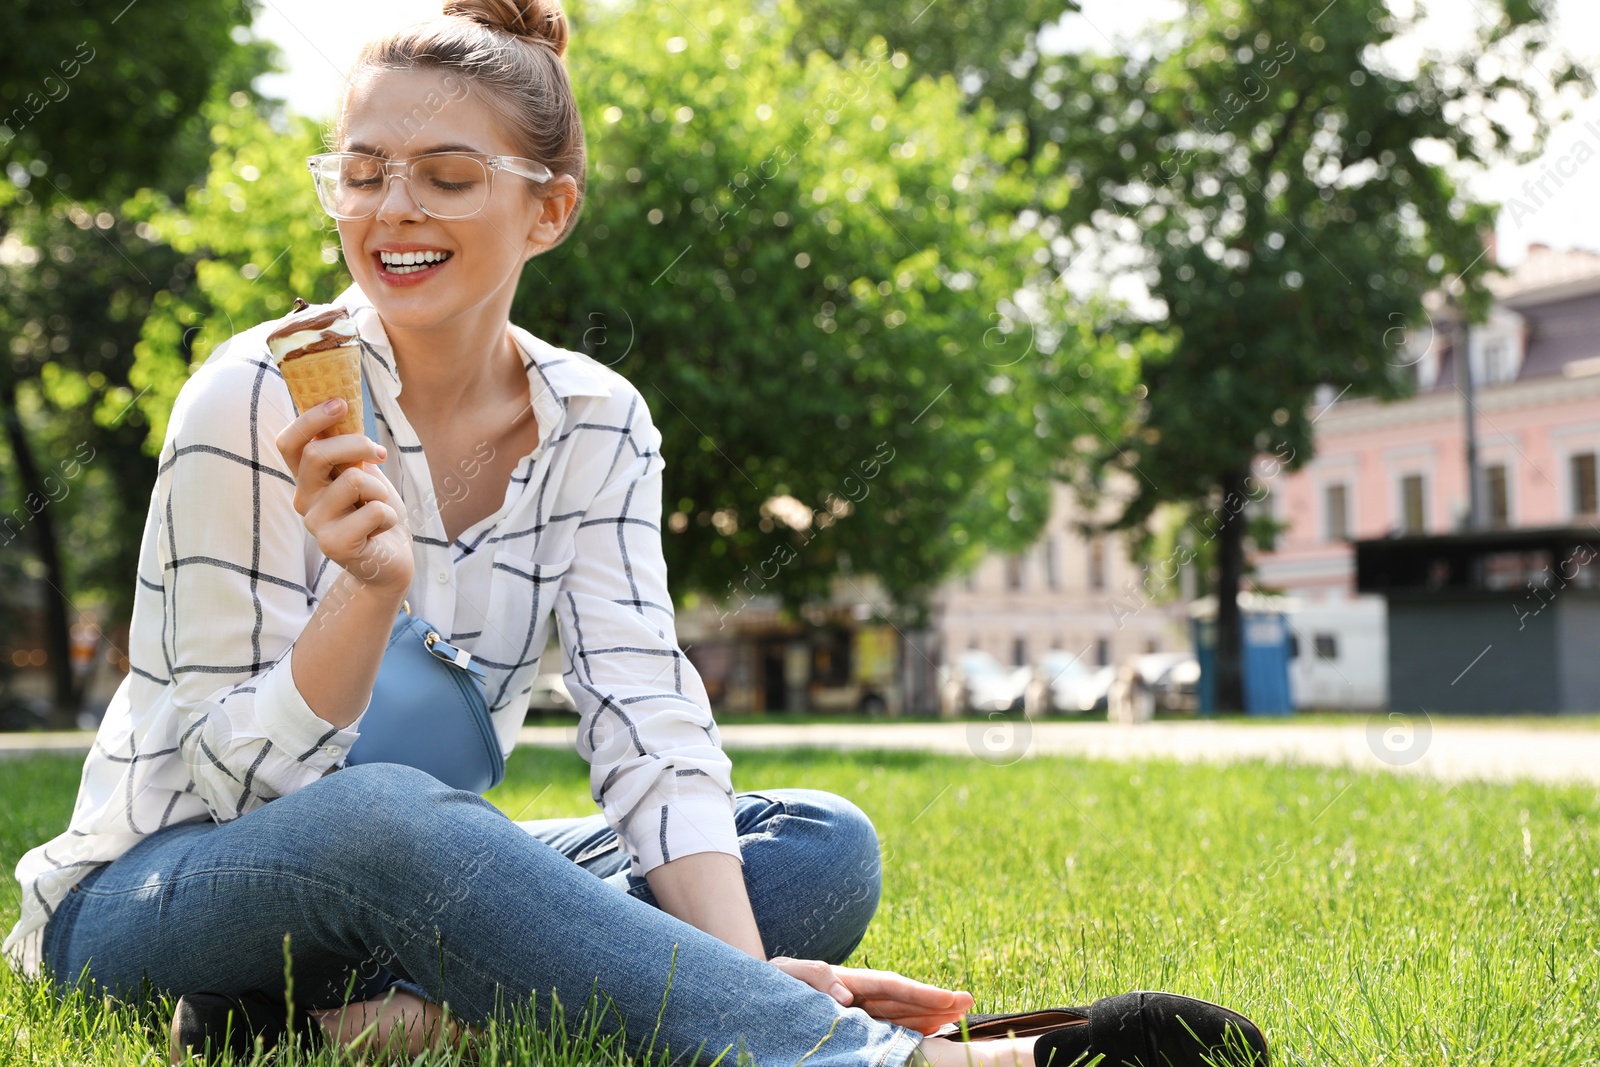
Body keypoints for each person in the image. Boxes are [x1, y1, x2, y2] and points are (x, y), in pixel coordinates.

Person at [3, 3, 1268, 1066]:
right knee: (388, 815)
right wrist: (366, 592)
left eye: (447, 177)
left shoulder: (596, 419)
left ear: (547, 213)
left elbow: (647, 720)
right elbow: (226, 792)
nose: (393, 210)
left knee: (814, 842)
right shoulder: (254, 393)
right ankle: (905, 1060)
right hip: (162, 890)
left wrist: (727, 969)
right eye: (363, 169)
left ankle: (370, 1027)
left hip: (417, 888)